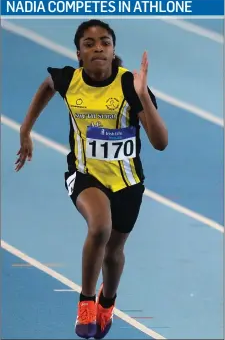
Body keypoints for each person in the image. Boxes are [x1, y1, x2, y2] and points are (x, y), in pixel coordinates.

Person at [15, 19, 168, 339]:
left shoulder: (129, 84)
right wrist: (25, 129)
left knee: (114, 252)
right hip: (84, 175)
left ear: (113, 51)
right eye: (89, 43)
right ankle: (85, 302)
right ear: (79, 54)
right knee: (99, 226)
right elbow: (47, 86)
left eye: (105, 42)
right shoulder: (69, 80)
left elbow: (160, 142)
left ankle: (107, 301)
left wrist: (142, 96)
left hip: (128, 182)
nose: (98, 47)